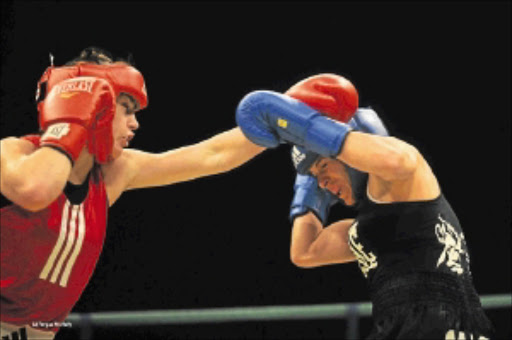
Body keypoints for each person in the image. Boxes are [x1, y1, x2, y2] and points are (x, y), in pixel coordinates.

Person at [0, 47, 266, 340]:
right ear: (92, 103)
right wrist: (70, 124)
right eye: (125, 109)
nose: (135, 124)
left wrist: (284, 115)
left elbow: (213, 156)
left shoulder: (112, 173)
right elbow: (36, 190)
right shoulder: (13, 152)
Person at [235, 74, 494, 339]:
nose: (321, 182)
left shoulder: (404, 185)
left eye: (323, 166)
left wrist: (306, 127)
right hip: (398, 329)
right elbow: (305, 251)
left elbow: (396, 160)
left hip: (446, 328)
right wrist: (309, 189)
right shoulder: (368, 228)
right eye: (314, 176)